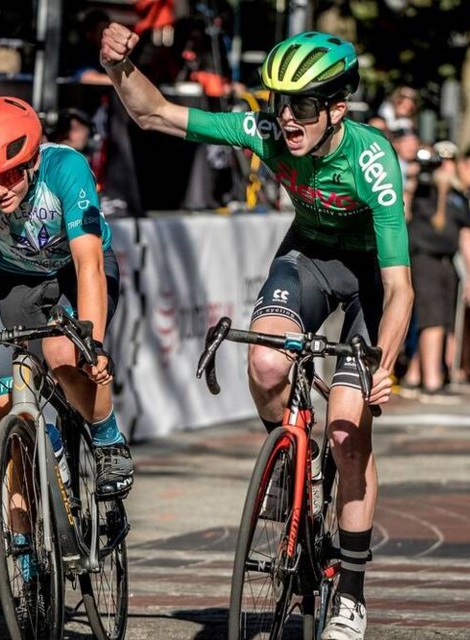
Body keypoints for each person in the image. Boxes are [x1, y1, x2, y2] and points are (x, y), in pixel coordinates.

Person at [101, 24, 413, 639]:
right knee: (268, 364)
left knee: (349, 430)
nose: (286, 118)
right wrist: (120, 66)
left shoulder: (371, 159)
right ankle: (291, 460)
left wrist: (385, 366)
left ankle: (349, 590)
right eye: (278, 101)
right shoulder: (268, 133)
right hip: (309, 260)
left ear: (337, 108)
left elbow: (401, 288)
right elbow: (155, 113)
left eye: (302, 105)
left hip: (373, 280)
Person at [0, 96, 134, 499]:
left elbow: (89, 265)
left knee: (61, 354)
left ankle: (107, 439)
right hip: (17, 283)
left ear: (31, 160)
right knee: (4, 425)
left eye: (8, 174)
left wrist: (93, 343)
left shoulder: (66, 168)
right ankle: (22, 549)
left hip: (75, 272)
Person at [399, 148, 470, 402]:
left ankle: (414, 378)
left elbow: (467, 236)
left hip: (447, 261)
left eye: (450, 162)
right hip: (422, 257)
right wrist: (416, 174)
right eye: (442, 162)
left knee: (440, 321)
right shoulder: (422, 189)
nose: (445, 167)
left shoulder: (460, 196)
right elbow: (403, 205)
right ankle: (432, 383)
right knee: (433, 320)